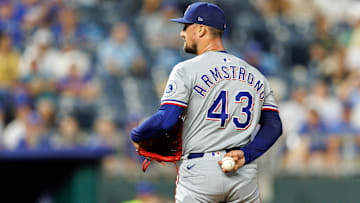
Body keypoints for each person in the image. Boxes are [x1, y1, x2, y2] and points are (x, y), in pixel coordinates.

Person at [130, 2, 282, 202]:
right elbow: (274, 125)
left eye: (186, 26)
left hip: (201, 170)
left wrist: (137, 134)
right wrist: (247, 154)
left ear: (200, 29)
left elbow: (166, 119)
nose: (182, 33)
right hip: (241, 171)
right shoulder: (257, 75)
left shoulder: (185, 69)